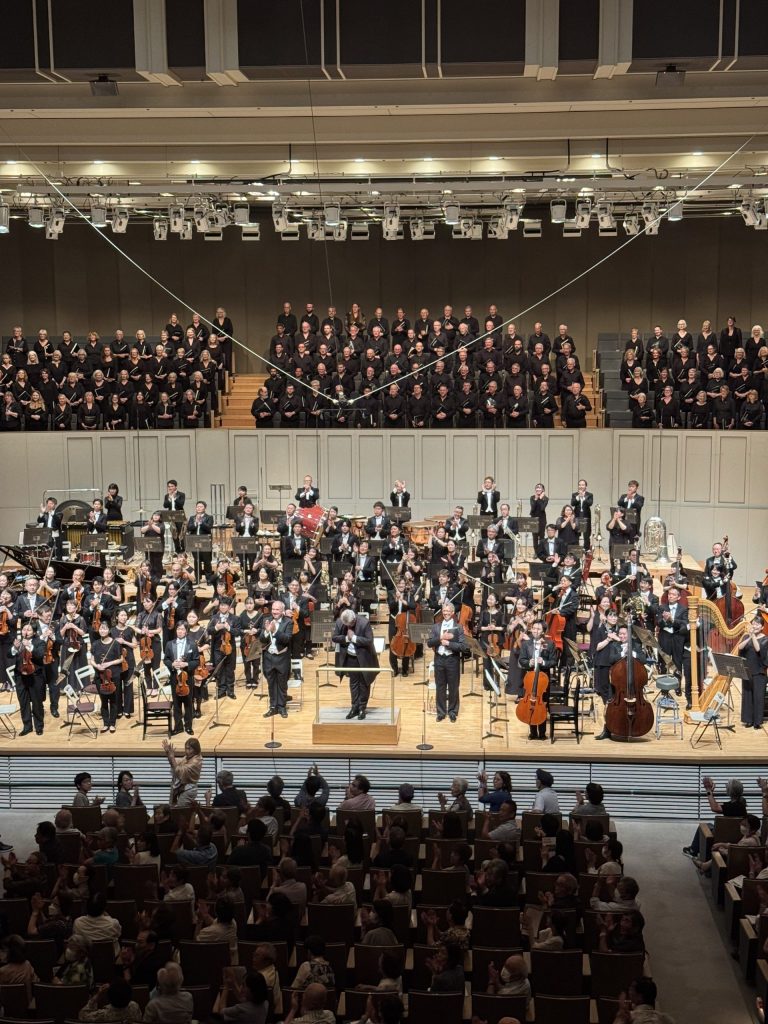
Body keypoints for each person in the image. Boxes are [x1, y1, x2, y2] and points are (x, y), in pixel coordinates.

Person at [333, 607, 380, 720]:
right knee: (353, 683)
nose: (349, 627)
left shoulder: (364, 622)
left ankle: (362, 708)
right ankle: (354, 707)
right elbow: (334, 637)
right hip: (350, 657)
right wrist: (346, 638)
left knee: (364, 683)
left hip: (364, 658)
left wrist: (353, 638)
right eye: (347, 625)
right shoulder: (340, 621)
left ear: (354, 619)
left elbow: (369, 640)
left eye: (351, 624)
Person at [427, 601, 469, 723]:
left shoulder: (458, 627)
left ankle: (452, 711)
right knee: (440, 686)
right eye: (444, 611)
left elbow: (463, 646)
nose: (445, 613)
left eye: (448, 611)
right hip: (439, 659)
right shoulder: (436, 626)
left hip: (452, 660)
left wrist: (448, 644)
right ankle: (441, 712)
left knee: (453, 687)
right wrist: (440, 639)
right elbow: (429, 643)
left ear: (452, 612)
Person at [517, 619, 557, 740]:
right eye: (534, 628)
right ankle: (532, 732)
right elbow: (521, 660)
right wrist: (529, 662)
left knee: (542, 705)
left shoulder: (549, 644)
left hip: (543, 680)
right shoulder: (526, 644)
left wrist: (543, 662)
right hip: (530, 678)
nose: (535, 631)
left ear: (543, 631)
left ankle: (542, 733)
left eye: (538, 629)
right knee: (530, 703)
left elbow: (554, 662)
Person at [164, 622, 199, 736]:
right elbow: (166, 659)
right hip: (175, 677)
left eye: (182, 629)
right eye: (178, 629)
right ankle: (178, 727)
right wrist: (172, 664)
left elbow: (196, 661)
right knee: (177, 703)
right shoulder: (170, 644)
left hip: (187, 678)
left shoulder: (192, 644)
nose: (180, 631)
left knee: (188, 703)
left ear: (186, 631)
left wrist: (186, 664)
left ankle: (188, 726)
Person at [260, 600, 294, 719]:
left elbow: (287, 639)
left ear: (282, 611)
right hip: (269, 658)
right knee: (271, 684)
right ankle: (273, 707)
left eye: (277, 610)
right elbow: (262, 640)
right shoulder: (266, 620)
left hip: (282, 658)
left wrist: (275, 631)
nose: (274, 612)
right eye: (273, 609)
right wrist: (266, 631)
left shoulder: (288, 622)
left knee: (282, 684)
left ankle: (282, 707)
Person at [737, 615, 768, 729]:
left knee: (758, 697)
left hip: (759, 671)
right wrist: (750, 636)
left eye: (758, 624)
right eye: (754, 623)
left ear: (762, 627)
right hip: (747, 670)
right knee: (747, 696)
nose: (755, 626)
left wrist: (753, 636)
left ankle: (757, 722)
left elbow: (758, 649)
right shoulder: (746, 636)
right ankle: (748, 720)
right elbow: (740, 647)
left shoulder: (765, 639)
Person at [162, 736, 202, 807]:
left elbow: (178, 771)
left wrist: (171, 757)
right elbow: (174, 764)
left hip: (188, 790)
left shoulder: (196, 761)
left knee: (180, 811)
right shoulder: (187, 758)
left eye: (189, 749)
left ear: (196, 749)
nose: (187, 751)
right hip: (181, 787)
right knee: (172, 808)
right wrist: (168, 753)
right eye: (186, 748)